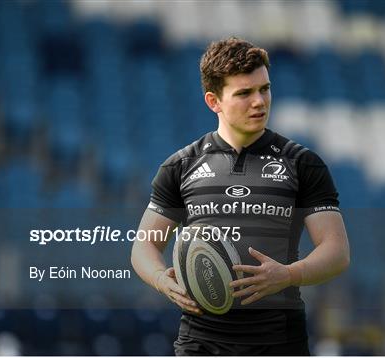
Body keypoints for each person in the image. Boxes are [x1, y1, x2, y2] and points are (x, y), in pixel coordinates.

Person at [131, 37, 350, 356]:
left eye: (265, 89)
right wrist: (161, 280)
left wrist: (289, 274)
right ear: (213, 101)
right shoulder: (181, 166)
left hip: (278, 342)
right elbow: (144, 244)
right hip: (199, 344)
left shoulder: (302, 163)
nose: (259, 102)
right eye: (244, 93)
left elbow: (337, 251)